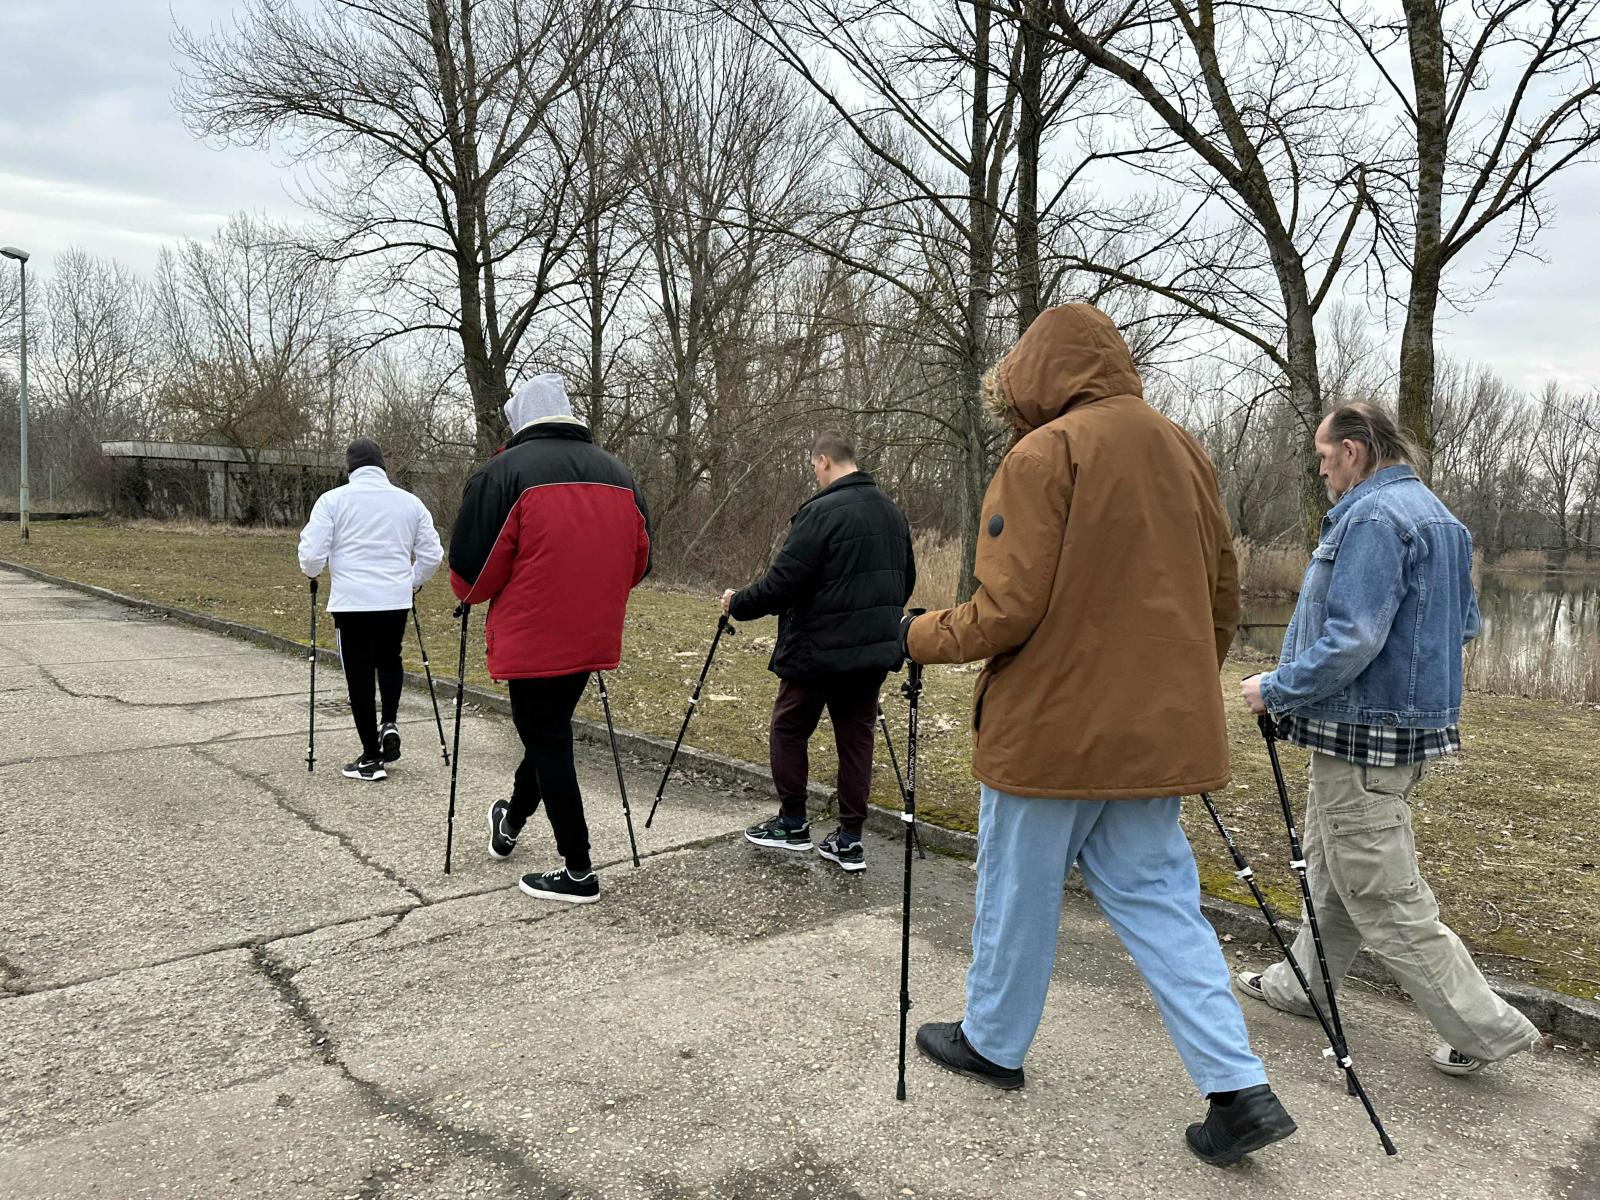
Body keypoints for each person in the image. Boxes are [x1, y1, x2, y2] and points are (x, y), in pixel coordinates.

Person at [901, 303, 1295, 1166]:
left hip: (1050, 732)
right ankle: (1238, 1086)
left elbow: (1006, 610)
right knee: (1164, 906)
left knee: (1017, 894)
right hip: (1153, 736)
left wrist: (917, 634)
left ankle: (992, 1044)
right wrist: (1171, 688)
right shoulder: (1184, 448)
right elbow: (1221, 596)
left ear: (1034, 375)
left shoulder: (1044, 453)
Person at [1238, 401, 1551, 1076]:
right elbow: (1465, 626)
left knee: (1382, 895)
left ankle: (1487, 1031)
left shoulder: (1374, 518)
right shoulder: (1440, 519)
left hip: (1363, 737)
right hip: (1383, 736)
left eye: (1325, 458)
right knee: (1332, 871)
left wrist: (1277, 687)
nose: (1323, 472)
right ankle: (1302, 986)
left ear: (1353, 451)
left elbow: (1351, 638)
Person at [449, 373, 651, 905]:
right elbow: (640, 561)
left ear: (519, 420)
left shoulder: (504, 472)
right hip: (592, 634)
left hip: (534, 636)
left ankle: (578, 870)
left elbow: (472, 576)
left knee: (547, 738)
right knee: (547, 732)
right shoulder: (619, 473)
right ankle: (511, 821)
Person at [723, 431, 915, 873]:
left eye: (814, 466)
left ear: (824, 460)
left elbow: (783, 583)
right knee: (856, 741)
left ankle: (793, 823)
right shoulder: (892, 511)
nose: (815, 473)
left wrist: (738, 603)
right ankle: (849, 840)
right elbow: (905, 580)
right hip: (870, 653)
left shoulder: (820, 512)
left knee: (789, 728)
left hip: (816, 652)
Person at [298, 438, 443, 782]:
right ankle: (389, 721)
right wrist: (411, 581)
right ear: (382, 466)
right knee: (390, 661)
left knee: (359, 674)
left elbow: (312, 556)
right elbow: (433, 555)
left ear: (349, 468)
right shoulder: (410, 503)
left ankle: (371, 759)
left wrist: (312, 571)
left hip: (352, 602)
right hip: (395, 600)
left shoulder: (332, 501)